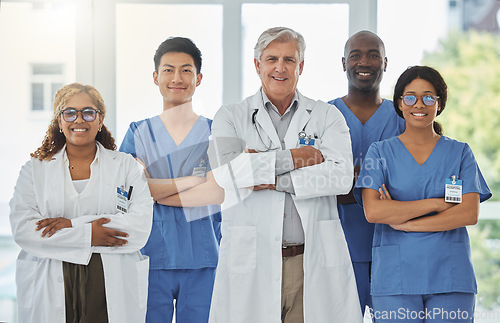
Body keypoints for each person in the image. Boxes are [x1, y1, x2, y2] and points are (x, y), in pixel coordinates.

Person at [208, 26, 362, 323]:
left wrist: (269, 176)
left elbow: (341, 177)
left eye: (289, 60)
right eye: (271, 59)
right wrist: (294, 157)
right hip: (252, 261)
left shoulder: (326, 115)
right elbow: (226, 174)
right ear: (257, 65)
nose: (280, 67)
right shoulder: (230, 116)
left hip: (310, 262)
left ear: (300, 66)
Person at [354, 66, 491, 322]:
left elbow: (469, 213)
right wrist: (437, 204)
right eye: (410, 97)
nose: (420, 104)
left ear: (439, 104)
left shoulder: (460, 153)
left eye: (429, 97)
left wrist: (404, 224)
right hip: (395, 280)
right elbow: (374, 211)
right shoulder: (379, 153)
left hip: (450, 278)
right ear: (400, 104)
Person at [9, 83, 153, 323]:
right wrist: (90, 235)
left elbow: (139, 227)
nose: (79, 120)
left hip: (109, 280)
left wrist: (70, 226)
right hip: (51, 280)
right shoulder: (34, 169)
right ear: (59, 120)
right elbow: (24, 230)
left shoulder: (125, 166)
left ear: (100, 119)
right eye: (70, 112)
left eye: (88, 112)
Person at [119, 37, 223, 323]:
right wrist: (193, 181)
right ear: (156, 77)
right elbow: (127, 194)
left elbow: (217, 193)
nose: (177, 78)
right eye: (168, 70)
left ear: (198, 78)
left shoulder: (215, 133)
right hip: (150, 257)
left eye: (186, 70)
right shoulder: (138, 133)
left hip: (204, 258)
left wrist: (153, 189)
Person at [328, 30, 405, 317]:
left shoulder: (403, 117)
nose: (365, 62)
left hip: (393, 248)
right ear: (343, 62)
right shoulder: (323, 116)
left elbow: (409, 185)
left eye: (373, 55)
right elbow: (315, 181)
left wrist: (349, 181)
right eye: (356, 55)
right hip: (338, 249)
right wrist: (373, 186)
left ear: (385, 63)